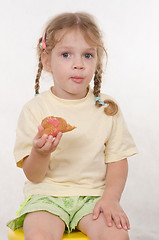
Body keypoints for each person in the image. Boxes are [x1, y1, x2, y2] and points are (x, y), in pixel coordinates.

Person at [7, 12, 137, 240]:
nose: (78, 65)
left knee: (117, 236)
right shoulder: (34, 110)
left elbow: (117, 161)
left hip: (93, 198)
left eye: (87, 55)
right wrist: (40, 152)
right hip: (46, 197)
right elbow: (34, 176)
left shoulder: (107, 108)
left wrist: (111, 198)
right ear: (47, 61)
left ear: (97, 60)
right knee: (38, 235)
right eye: (66, 54)